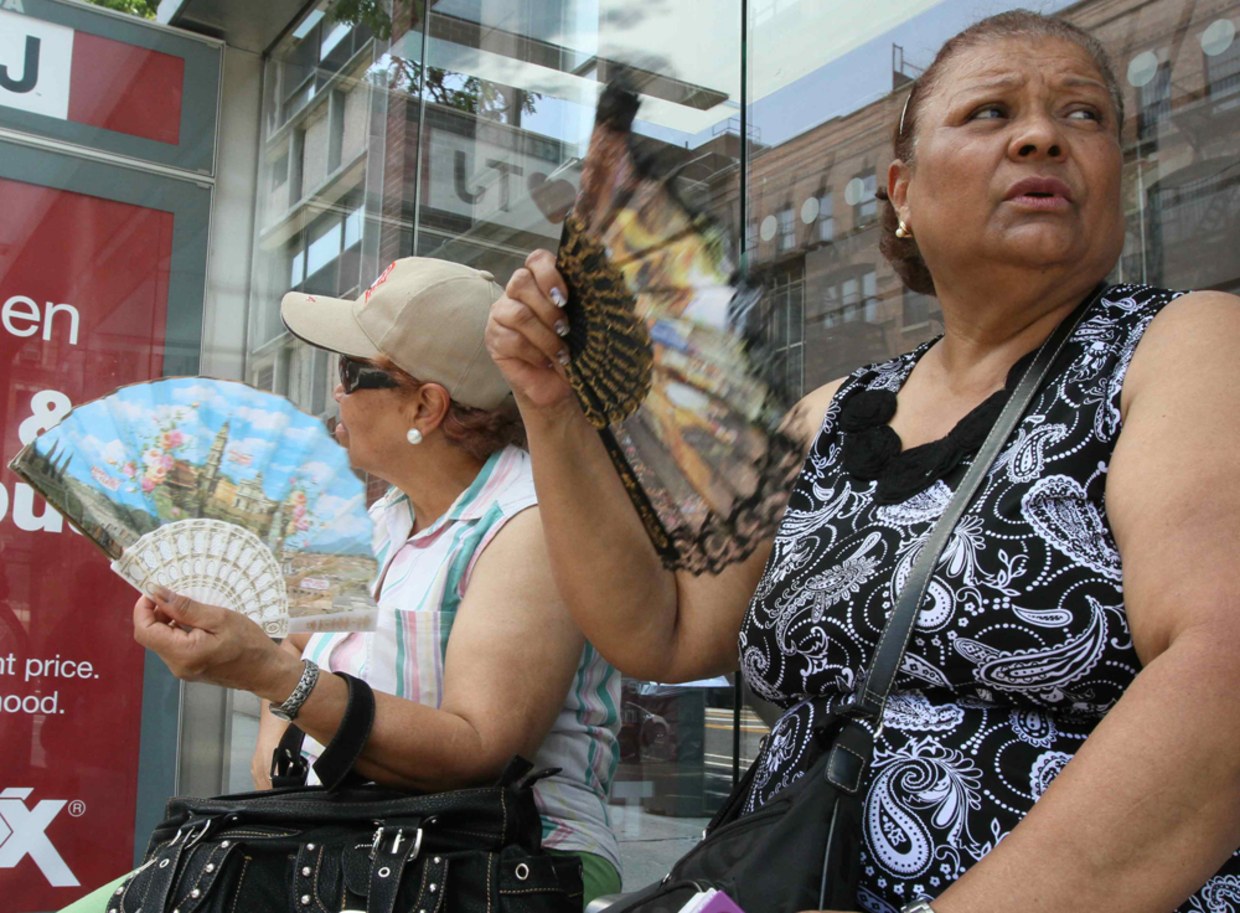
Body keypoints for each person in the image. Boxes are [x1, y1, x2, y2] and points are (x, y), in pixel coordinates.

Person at [485, 11, 1240, 913]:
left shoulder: (1184, 346)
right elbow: (665, 631)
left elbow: (1219, 664)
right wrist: (555, 414)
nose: (1042, 134)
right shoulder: (828, 415)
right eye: (991, 113)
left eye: (1085, 116)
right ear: (903, 195)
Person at [64, 257, 622, 911]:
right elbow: (290, 674)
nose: (336, 391)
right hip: (351, 841)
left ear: (427, 404)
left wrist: (271, 673)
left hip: (498, 862)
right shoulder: (378, 520)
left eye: (353, 372)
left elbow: (477, 750)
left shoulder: (529, 522)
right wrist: (252, 654)